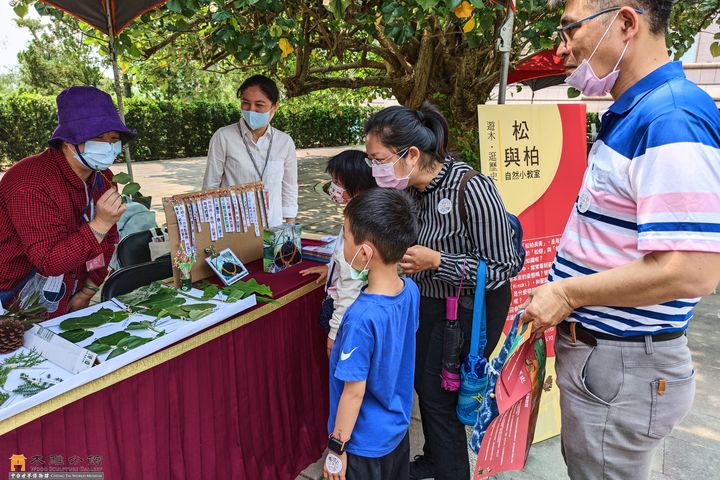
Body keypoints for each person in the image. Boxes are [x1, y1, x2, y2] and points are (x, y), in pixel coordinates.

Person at [521, 1, 720, 479]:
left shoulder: (671, 117)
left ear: (626, 23)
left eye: (571, 30)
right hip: (607, 360)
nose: (562, 48)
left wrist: (567, 292)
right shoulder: (639, 110)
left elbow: (692, 270)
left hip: (622, 361)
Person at [364, 103, 521, 480]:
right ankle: (434, 459)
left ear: (411, 154)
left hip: (466, 311)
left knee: (438, 400)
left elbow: (503, 266)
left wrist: (438, 261)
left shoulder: (472, 188)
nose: (375, 170)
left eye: (379, 160)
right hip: (429, 305)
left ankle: (451, 469)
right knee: (430, 388)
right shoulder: (410, 190)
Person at [0, 86, 135, 317]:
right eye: (98, 138)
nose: (108, 146)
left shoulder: (103, 177)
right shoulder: (29, 182)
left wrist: (88, 290)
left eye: (114, 139)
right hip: (16, 297)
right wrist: (99, 224)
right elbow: (49, 261)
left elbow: (110, 238)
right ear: (68, 141)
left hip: (71, 292)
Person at [323, 188, 419, 480]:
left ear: (365, 253)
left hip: (362, 444)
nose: (342, 245)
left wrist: (336, 449)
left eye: (346, 236)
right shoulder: (410, 291)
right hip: (396, 431)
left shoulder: (360, 318)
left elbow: (353, 392)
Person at [299, 150, 376, 356]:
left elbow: (351, 282)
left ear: (357, 185)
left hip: (348, 316)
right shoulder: (363, 211)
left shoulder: (358, 222)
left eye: (336, 181)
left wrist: (334, 334)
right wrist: (329, 267)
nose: (331, 187)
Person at [202, 74, 298, 227]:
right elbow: (210, 186)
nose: (251, 110)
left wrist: (290, 226)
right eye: (245, 103)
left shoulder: (284, 142)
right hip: (234, 228)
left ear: (275, 106)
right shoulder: (224, 137)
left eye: (259, 105)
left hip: (272, 226)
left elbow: (289, 186)